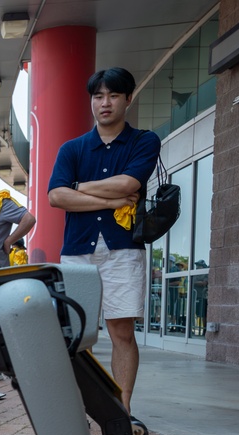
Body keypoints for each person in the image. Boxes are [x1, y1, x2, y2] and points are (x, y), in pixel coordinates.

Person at [48, 67, 160, 413]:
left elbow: (129, 185)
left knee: (121, 331)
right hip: (78, 251)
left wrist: (78, 187)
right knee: (78, 335)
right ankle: (81, 408)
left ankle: (121, 410)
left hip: (122, 250)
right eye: (98, 96)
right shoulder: (73, 149)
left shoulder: (144, 141)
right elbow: (55, 197)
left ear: (128, 99)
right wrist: (110, 201)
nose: (105, 103)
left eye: (113, 95)